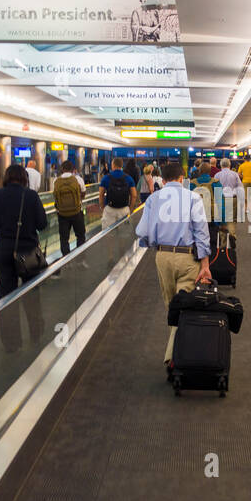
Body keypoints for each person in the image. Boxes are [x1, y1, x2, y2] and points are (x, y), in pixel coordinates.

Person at [135, 160, 213, 374]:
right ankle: (175, 356)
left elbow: (141, 231)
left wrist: (154, 243)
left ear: (165, 179)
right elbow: (201, 233)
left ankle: (175, 354)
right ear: (181, 179)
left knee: (172, 306)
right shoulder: (193, 198)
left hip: (162, 256)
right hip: (187, 258)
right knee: (185, 306)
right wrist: (205, 264)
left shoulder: (153, 199)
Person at [0, 164, 48, 353]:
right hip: (28, 252)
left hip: (3, 251)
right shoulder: (31, 196)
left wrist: (6, 234)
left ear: (6, 177)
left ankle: (12, 344)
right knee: (32, 297)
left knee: (6, 299)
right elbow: (42, 223)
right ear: (24, 178)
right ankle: (36, 336)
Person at [52, 158, 87, 257]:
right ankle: (80, 259)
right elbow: (83, 193)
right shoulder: (78, 179)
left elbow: (54, 195)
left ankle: (66, 261)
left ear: (62, 169)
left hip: (62, 214)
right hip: (77, 212)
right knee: (80, 236)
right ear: (73, 169)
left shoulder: (56, 181)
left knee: (64, 239)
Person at [99, 157, 138, 229]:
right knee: (124, 235)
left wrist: (103, 207)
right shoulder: (128, 178)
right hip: (124, 209)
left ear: (113, 165)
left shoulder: (106, 178)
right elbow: (134, 195)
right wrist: (130, 209)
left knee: (107, 235)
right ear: (121, 165)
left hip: (109, 210)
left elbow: (101, 194)